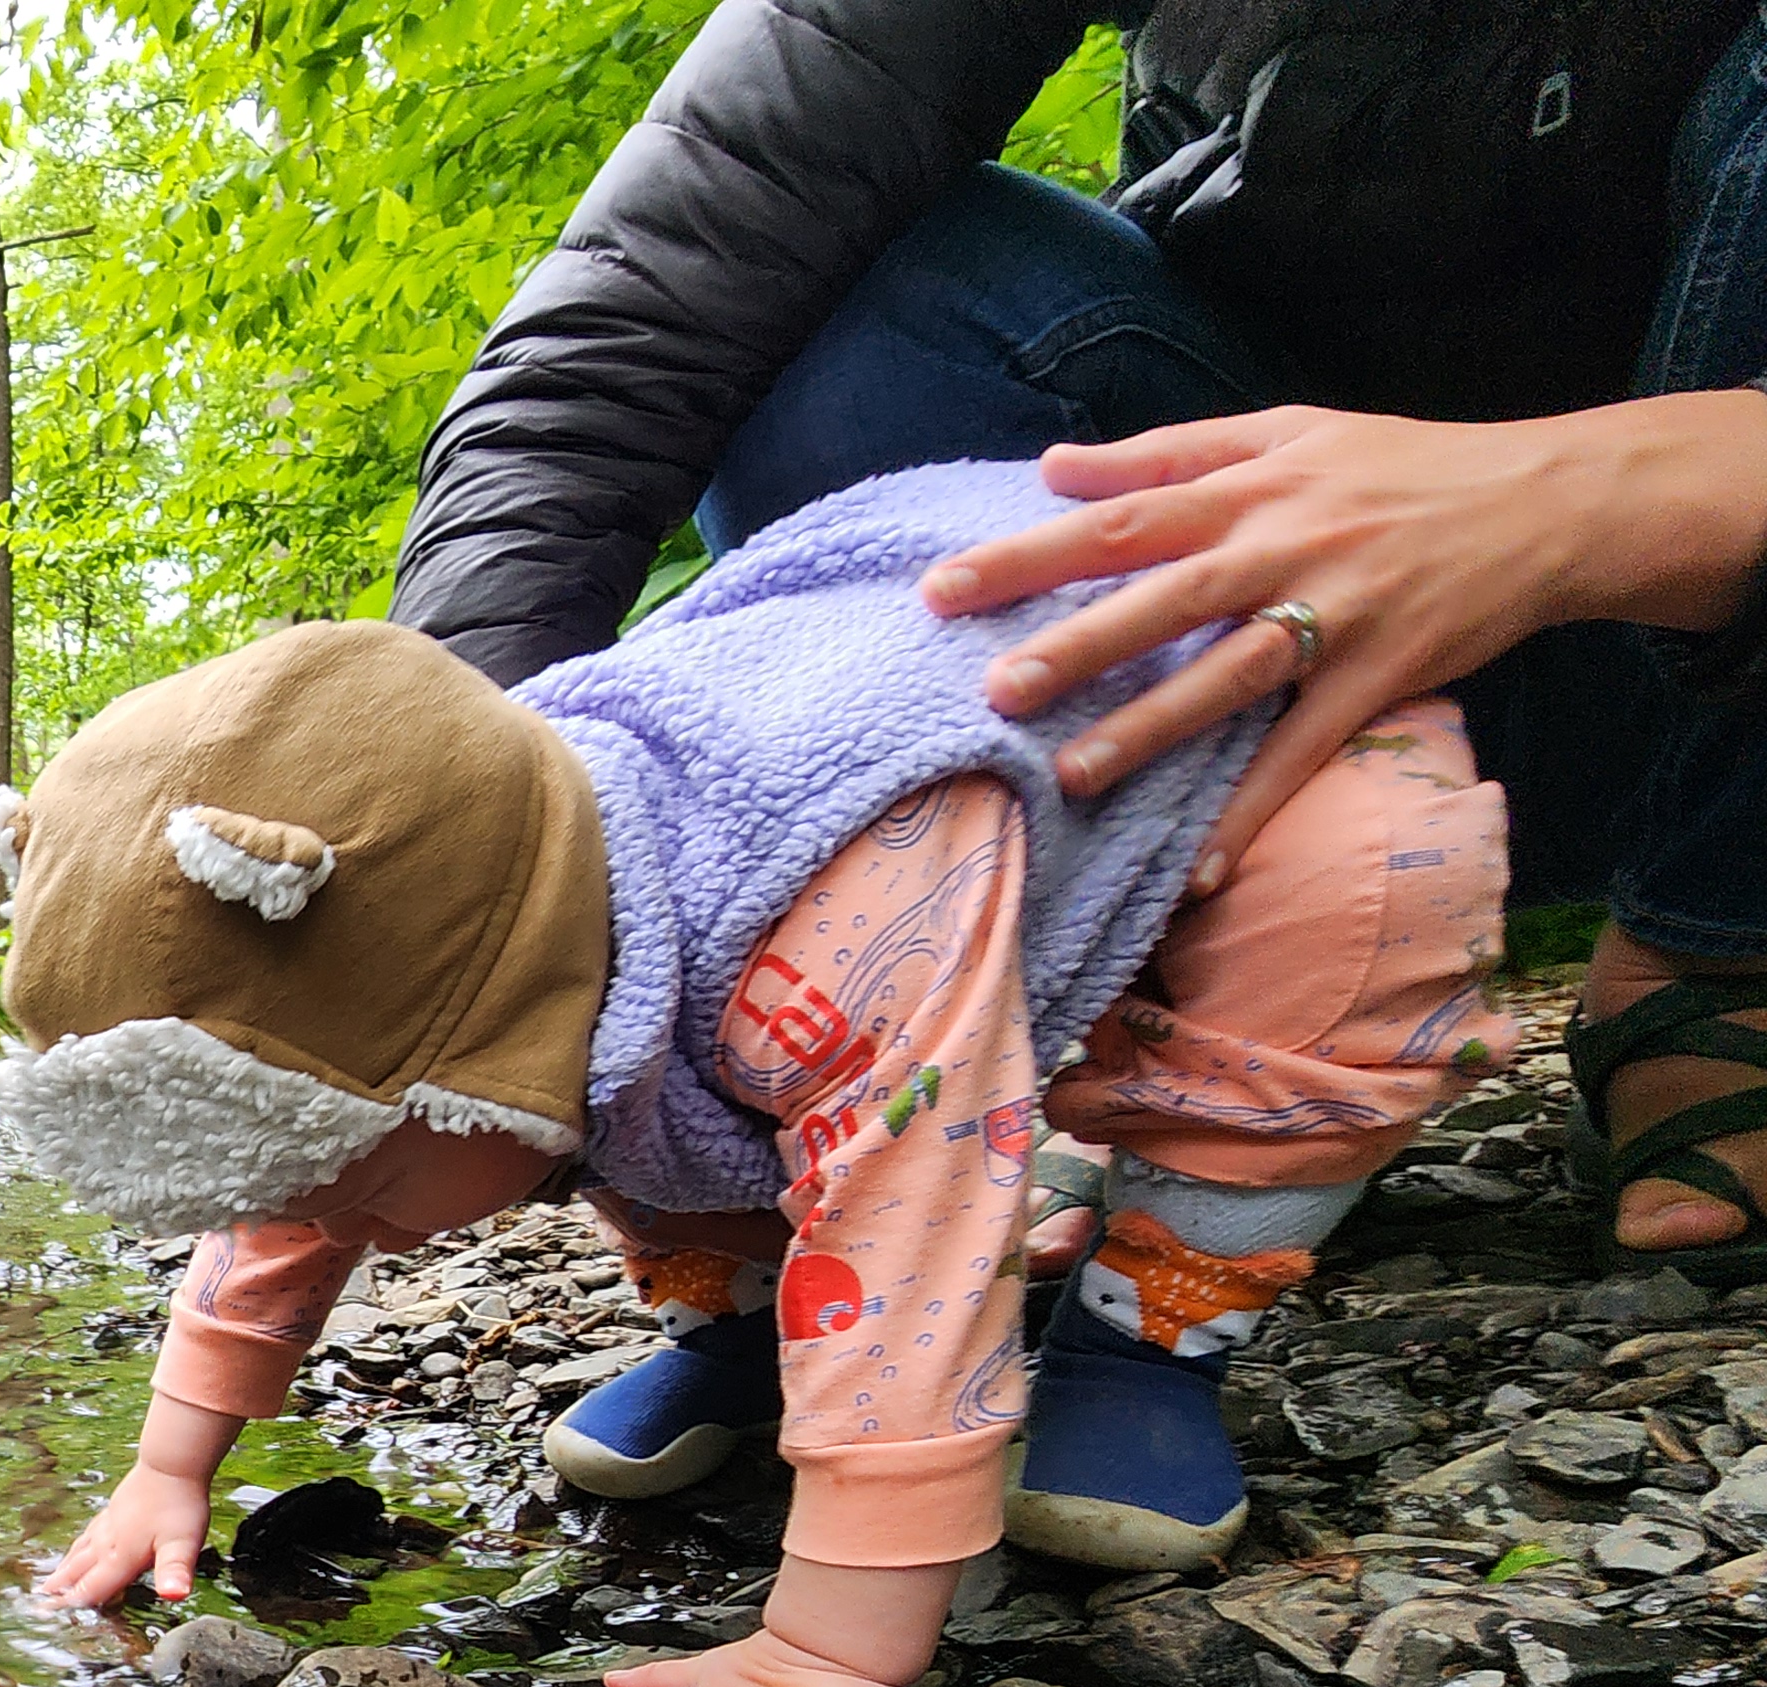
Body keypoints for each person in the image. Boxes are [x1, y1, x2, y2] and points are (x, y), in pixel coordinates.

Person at [0, 460, 1505, 1687]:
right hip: (781, 902)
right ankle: (736, 1325)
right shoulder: (499, 968)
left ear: (488, 1032)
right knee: (631, 1119)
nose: (339, 1229)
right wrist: (170, 1465)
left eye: (372, 1185)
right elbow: (290, 1191)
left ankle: (1147, 1339)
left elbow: (920, 1230)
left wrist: (828, 1659)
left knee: (1322, 964)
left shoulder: (832, 930)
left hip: (1263, 741)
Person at [392, 0, 1767, 1372]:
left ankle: (1713, 943)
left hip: (1695, 649)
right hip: (1218, 627)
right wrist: (489, 883)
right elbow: (629, 323)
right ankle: (1083, 1008)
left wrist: (1590, 498)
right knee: (839, 297)